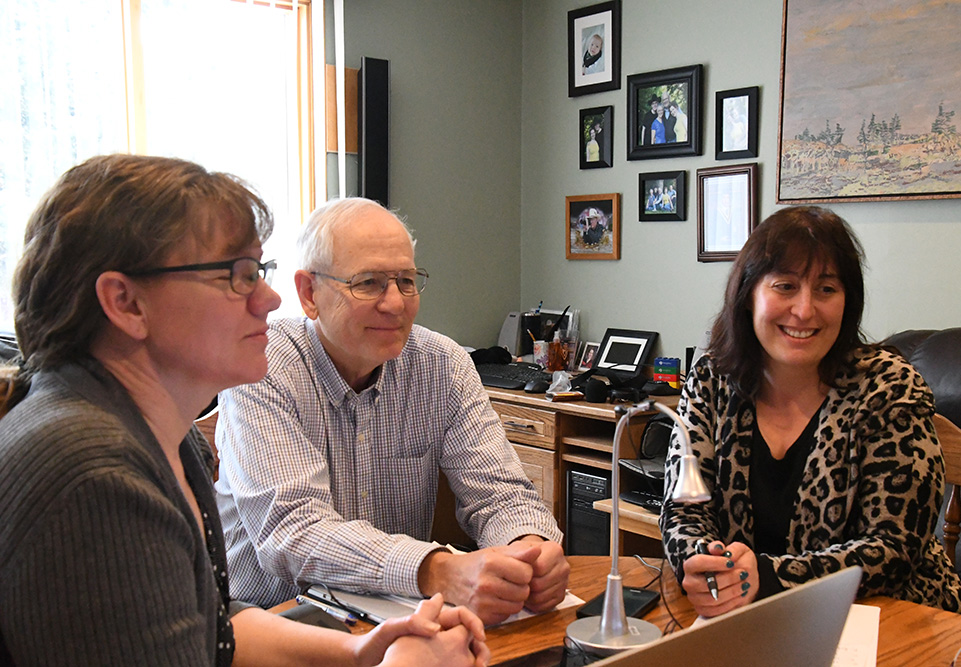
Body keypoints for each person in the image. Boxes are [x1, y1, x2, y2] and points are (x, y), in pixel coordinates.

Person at [0, 155, 489, 666]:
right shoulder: (95, 478)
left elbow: (215, 632)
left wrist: (361, 650)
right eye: (237, 276)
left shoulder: (170, 439)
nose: (271, 299)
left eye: (261, 271)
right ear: (126, 303)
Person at [215, 197, 568, 625]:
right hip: (272, 624)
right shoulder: (261, 366)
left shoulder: (443, 365)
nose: (396, 304)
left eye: (405, 280)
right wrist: (435, 569)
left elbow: (501, 494)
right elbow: (293, 532)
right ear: (309, 294)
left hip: (404, 621)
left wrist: (527, 548)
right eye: (368, 283)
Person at [658, 206, 961, 619]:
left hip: (896, 619)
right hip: (753, 621)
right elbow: (683, 505)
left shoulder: (889, 387)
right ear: (749, 295)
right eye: (785, 286)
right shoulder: (711, 380)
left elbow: (894, 548)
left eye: (826, 289)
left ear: (848, 301)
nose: (805, 310)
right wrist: (703, 562)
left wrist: (769, 578)